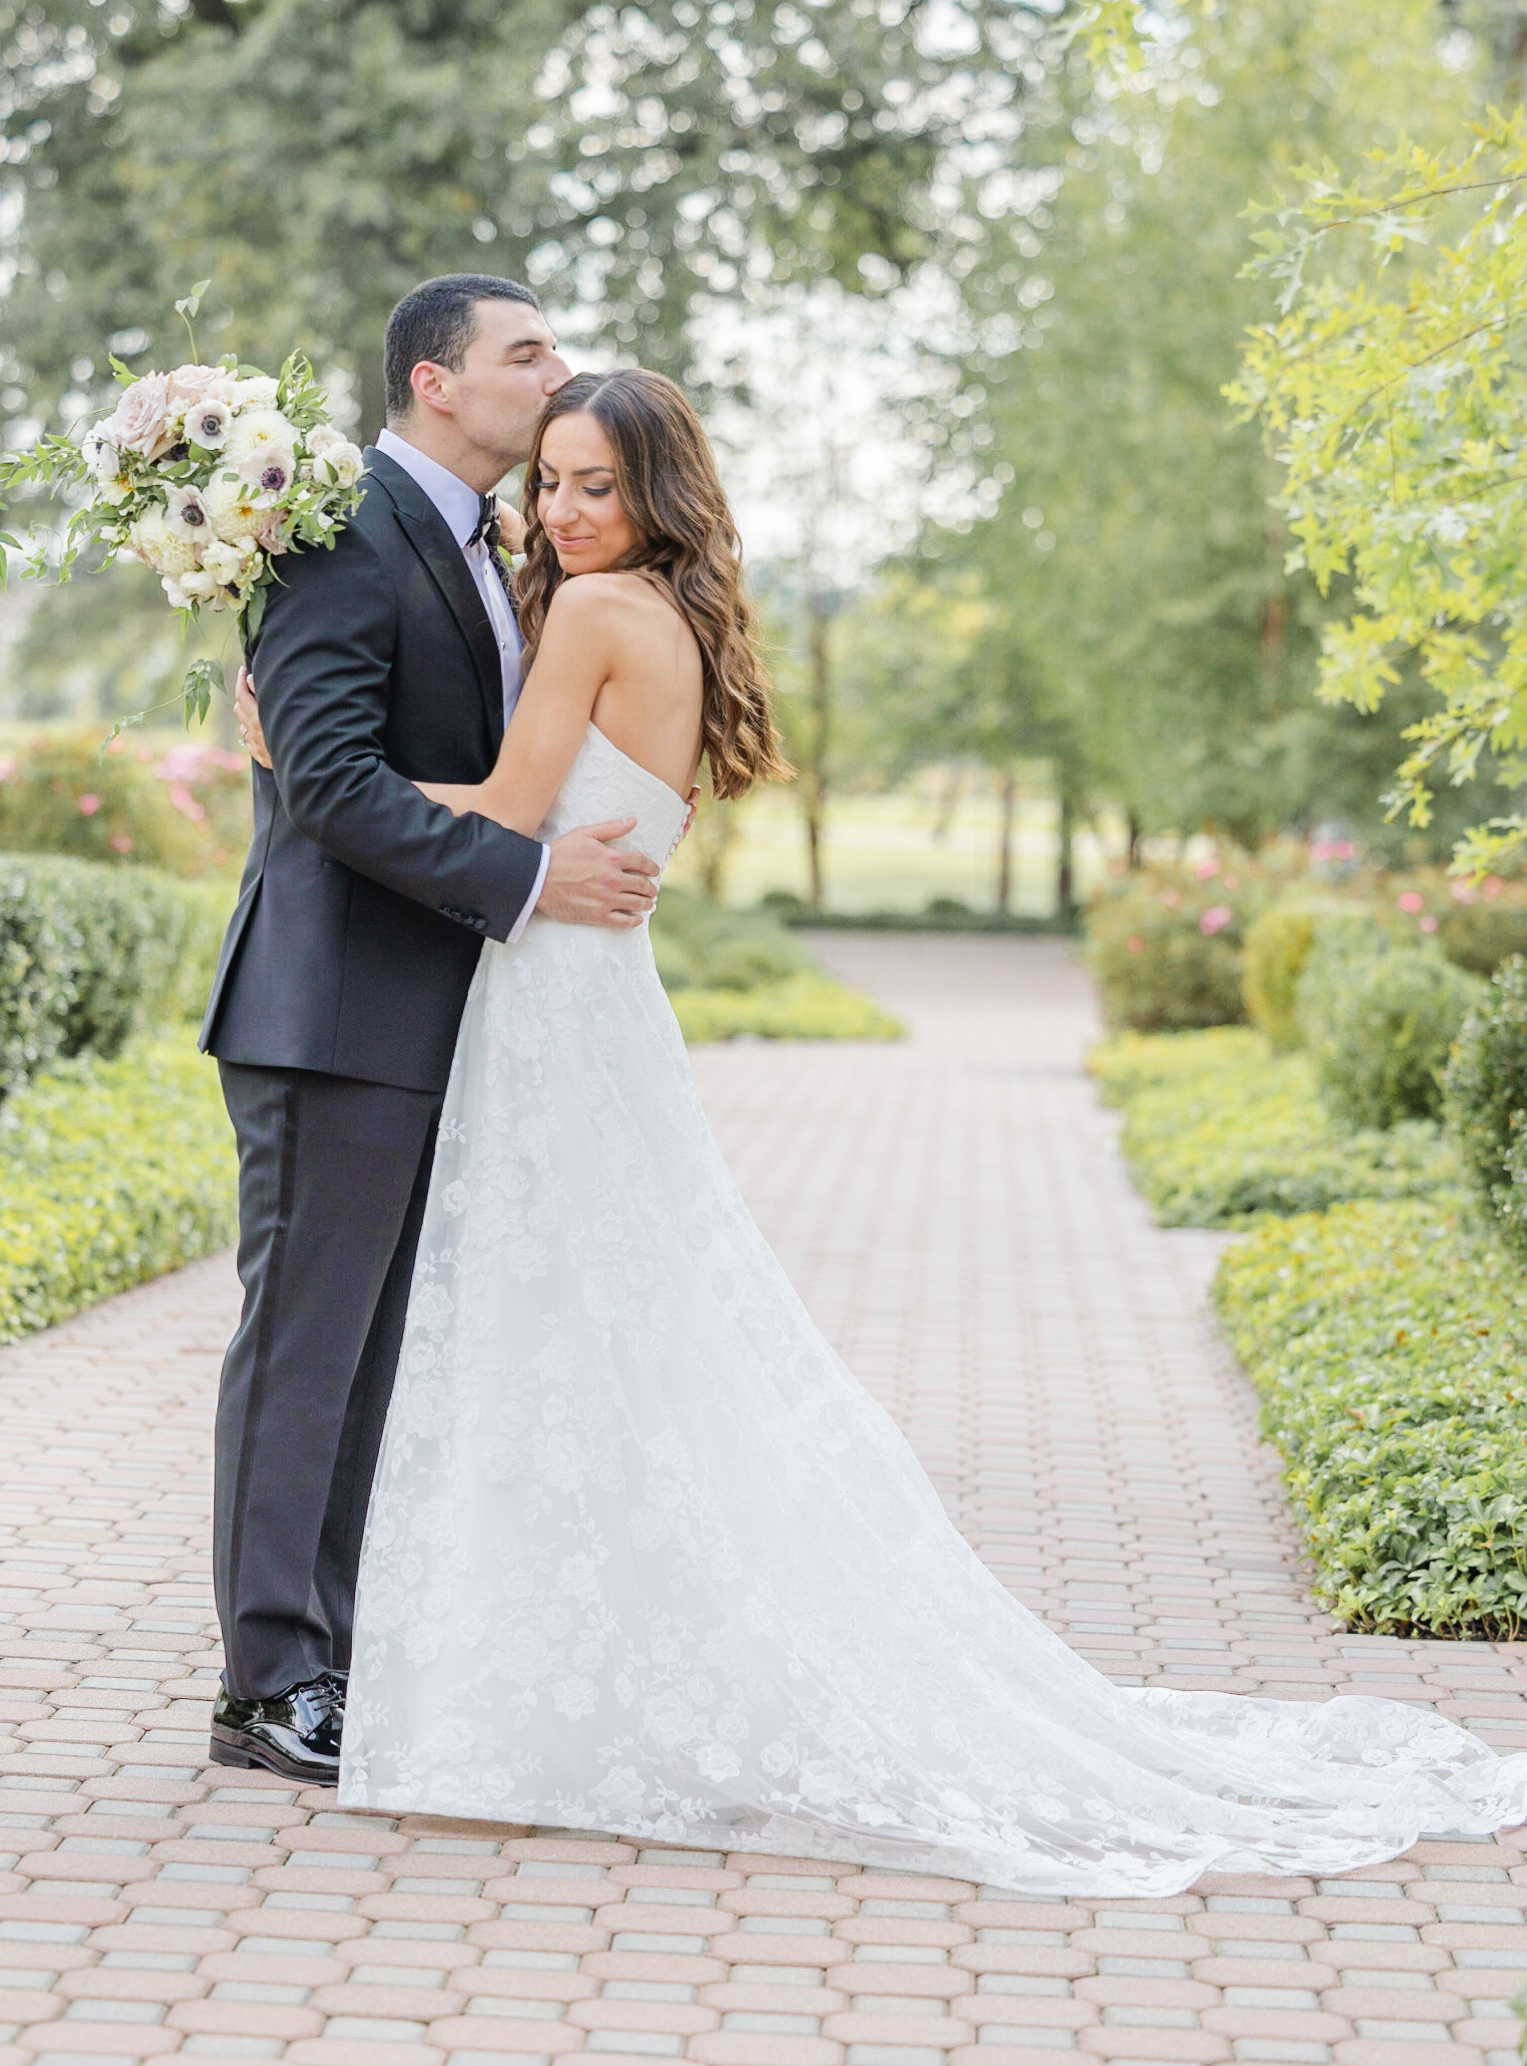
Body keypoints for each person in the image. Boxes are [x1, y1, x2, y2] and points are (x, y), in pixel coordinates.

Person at [334, 365, 1527, 1894]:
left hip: (561, 1000)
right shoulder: (677, 618)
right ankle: (592, 1676)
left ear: (654, 498)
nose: (560, 513)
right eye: (549, 483)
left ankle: (552, 1694)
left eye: (594, 487)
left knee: (565, 1324)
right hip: (595, 997)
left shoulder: (591, 614)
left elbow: (503, 811)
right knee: (610, 1330)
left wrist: (305, 763)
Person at [201, 276, 663, 1785]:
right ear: (435, 381)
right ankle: (269, 1682)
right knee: (305, 1354)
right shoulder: (341, 532)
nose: (558, 368)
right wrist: (529, 875)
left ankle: (327, 1657)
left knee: (373, 1364)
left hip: (432, 1014)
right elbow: (326, 788)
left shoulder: (490, 545)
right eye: (526, 350)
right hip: (333, 1009)